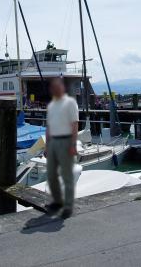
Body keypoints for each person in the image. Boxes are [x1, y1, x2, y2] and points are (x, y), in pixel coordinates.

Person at [45, 77, 79, 219]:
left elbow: (74, 125)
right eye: (53, 87)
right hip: (52, 142)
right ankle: (58, 201)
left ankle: (68, 206)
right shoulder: (51, 105)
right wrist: (47, 145)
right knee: (51, 175)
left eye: (58, 86)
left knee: (67, 176)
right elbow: (48, 127)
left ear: (63, 88)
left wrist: (73, 145)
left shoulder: (70, 103)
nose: (56, 89)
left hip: (66, 141)